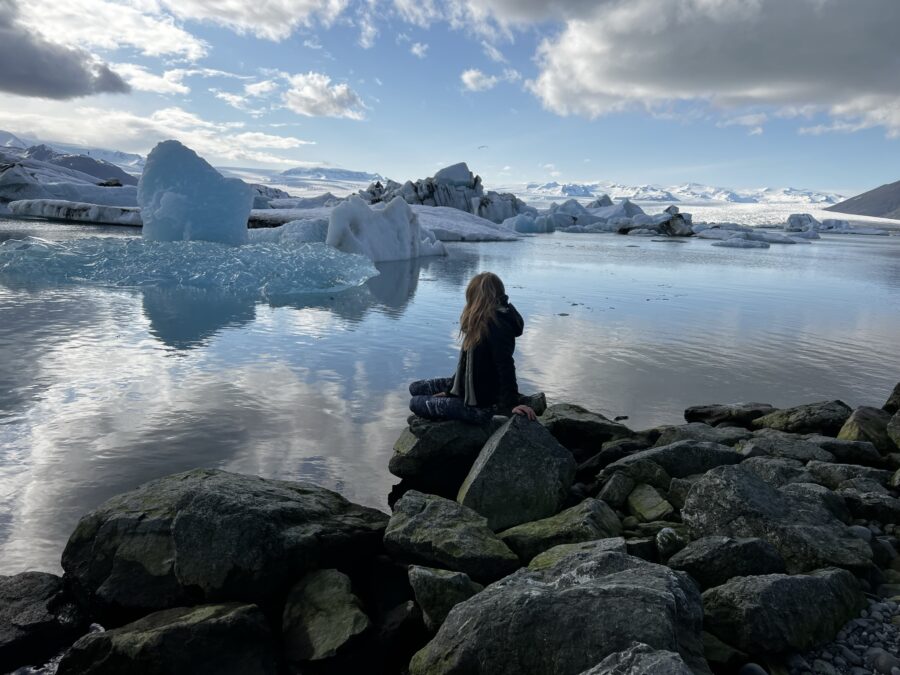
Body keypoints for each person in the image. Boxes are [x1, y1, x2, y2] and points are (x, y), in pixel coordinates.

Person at [409, 272, 536, 424]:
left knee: (415, 402)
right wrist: (450, 391)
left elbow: (505, 365)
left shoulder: (497, 325)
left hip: (481, 404)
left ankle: (476, 414)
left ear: (477, 298)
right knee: (415, 388)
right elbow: (466, 365)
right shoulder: (483, 321)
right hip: (472, 385)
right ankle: (456, 397)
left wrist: (512, 405)